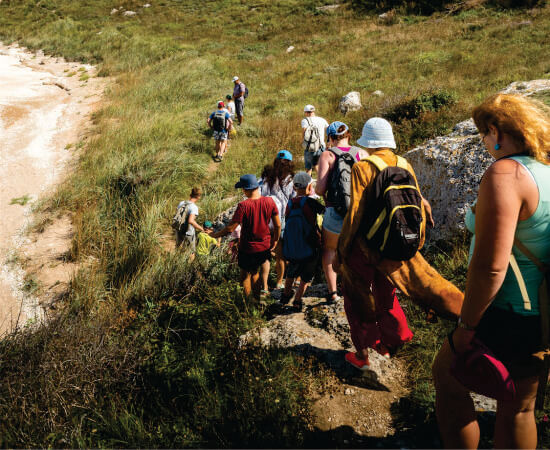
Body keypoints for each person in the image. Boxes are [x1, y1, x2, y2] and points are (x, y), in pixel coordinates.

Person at [432, 94, 550, 449]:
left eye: (484, 134)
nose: (484, 143)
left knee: (447, 377)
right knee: (520, 408)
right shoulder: (544, 173)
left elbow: (490, 267)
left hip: (504, 313)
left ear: (496, 131)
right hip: (542, 315)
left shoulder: (506, 173)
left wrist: (467, 327)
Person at [336, 118, 421, 369]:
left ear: (368, 142)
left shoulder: (363, 167)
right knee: (387, 293)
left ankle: (362, 354)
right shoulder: (405, 164)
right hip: (395, 244)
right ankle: (391, 342)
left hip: (365, 246)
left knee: (357, 296)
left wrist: (343, 248)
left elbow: (355, 214)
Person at [315, 121, 368, 303]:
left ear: (329, 138)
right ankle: (358, 288)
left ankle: (333, 293)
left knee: (330, 250)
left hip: (335, 211)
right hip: (359, 212)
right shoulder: (362, 153)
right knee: (358, 250)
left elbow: (320, 190)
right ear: (349, 135)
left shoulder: (327, 155)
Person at [211, 174, 281, 299]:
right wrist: (275, 239)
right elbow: (277, 225)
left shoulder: (243, 206)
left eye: (243, 189)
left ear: (247, 189)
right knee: (256, 273)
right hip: (264, 245)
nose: (243, 191)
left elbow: (230, 228)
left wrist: (215, 235)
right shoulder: (269, 202)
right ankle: (258, 298)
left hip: (247, 247)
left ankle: (248, 302)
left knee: (245, 276)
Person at [281, 171, 325, 311]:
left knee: (291, 272)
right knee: (306, 276)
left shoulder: (289, 203)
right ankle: (297, 300)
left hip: (294, 246)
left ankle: (286, 295)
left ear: (294, 187)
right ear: (309, 186)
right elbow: (325, 211)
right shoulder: (311, 202)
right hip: (309, 245)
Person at [260, 150, 296, 289]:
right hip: (282, 220)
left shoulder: (268, 177)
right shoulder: (292, 180)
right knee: (280, 253)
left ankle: (273, 282)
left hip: (270, 220)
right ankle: (279, 281)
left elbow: (263, 195)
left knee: (273, 253)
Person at [176, 187, 205, 260]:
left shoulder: (182, 203)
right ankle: (188, 268)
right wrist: (201, 228)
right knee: (192, 252)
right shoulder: (194, 207)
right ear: (198, 196)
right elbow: (191, 221)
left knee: (179, 248)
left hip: (179, 229)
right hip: (189, 232)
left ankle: (177, 264)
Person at [301, 104, 329, 175]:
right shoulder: (322, 120)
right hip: (322, 146)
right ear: (313, 111)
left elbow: (304, 132)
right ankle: (323, 181)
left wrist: (302, 142)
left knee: (308, 167)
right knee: (317, 165)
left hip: (310, 146)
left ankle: (308, 184)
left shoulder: (305, 120)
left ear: (306, 112)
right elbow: (328, 130)